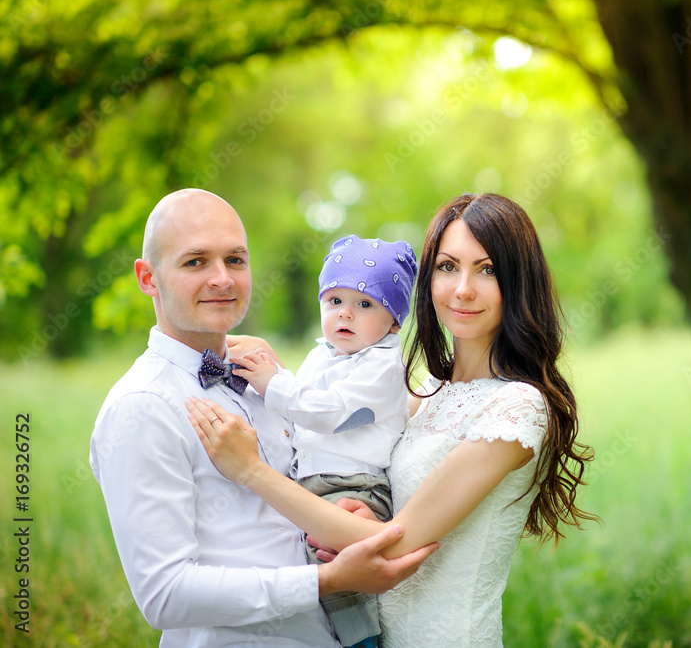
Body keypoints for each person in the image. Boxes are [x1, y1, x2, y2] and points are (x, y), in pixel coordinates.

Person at [187, 192, 596, 647]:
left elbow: (394, 545)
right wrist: (363, 511)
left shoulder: (517, 408)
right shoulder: (428, 392)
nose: (463, 288)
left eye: (487, 270)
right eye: (447, 266)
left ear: (519, 283)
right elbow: (346, 424)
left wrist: (250, 471)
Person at [90, 188, 436, 648]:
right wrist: (328, 581)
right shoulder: (143, 406)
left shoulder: (263, 380)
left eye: (235, 260)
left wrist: (346, 514)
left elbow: (333, 451)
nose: (222, 279)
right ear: (148, 278)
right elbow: (165, 595)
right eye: (196, 262)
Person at [232, 234, 418, 648]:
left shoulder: (384, 366)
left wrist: (273, 383)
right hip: (312, 481)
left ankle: (361, 641)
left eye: (365, 304)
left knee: (341, 573)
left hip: (352, 486)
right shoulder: (324, 354)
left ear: (393, 321)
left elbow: (333, 412)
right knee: (304, 563)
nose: (345, 313)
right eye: (335, 301)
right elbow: (300, 407)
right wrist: (270, 374)